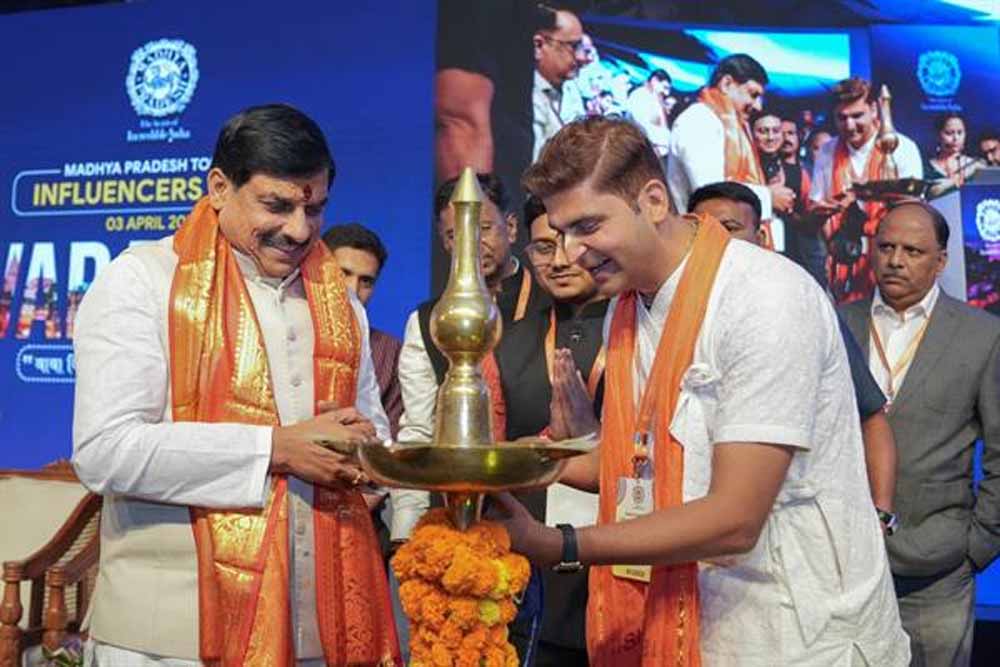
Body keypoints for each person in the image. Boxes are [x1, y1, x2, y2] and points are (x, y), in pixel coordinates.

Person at [498, 116, 908, 666]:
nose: (570, 253)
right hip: (691, 623)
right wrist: (523, 463)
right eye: (560, 231)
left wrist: (563, 546)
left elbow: (736, 518)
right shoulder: (628, 306)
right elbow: (645, 462)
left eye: (588, 226)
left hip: (794, 637)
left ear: (653, 201)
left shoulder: (763, 298)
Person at [71, 104, 400, 666]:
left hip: (318, 632)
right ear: (220, 187)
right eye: (277, 205)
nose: (299, 230)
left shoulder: (339, 303)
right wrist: (276, 449)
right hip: (169, 639)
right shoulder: (144, 281)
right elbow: (106, 450)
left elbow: (373, 430)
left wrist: (366, 455)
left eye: (314, 208)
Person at [839, 201, 1000, 667]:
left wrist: (977, 547)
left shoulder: (982, 335)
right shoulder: (836, 321)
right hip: (841, 564)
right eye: (886, 247)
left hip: (937, 572)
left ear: (941, 261)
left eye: (912, 251)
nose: (895, 260)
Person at [688, 181, 897, 518]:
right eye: (702, 231)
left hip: (796, 518)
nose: (716, 241)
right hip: (697, 517)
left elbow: (871, 416)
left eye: (729, 228)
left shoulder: (801, 302)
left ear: (761, 239)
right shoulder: (675, 314)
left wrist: (882, 513)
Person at [498, 194, 607, 667]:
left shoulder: (643, 332)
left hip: (624, 555)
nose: (559, 260)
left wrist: (594, 439)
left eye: (571, 242)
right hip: (532, 566)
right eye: (544, 247)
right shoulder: (506, 340)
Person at [809, 77, 923, 303]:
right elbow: (815, 206)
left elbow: (915, 211)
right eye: (841, 118)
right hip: (843, 264)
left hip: (890, 263)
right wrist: (826, 210)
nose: (849, 125)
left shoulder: (902, 148)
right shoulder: (826, 151)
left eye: (857, 116)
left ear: (873, 109)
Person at [667, 53, 795, 222]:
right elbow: (710, 196)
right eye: (753, 94)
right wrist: (768, 198)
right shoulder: (699, 120)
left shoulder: (732, 126)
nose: (758, 106)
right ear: (726, 84)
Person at [322, 223, 403, 437]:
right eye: (343, 273)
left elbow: (390, 435)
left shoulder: (390, 351)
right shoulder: (290, 327)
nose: (353, 289)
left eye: (366, 281)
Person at [532, 4, 589, 160]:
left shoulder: (568, 89)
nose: (581, 57)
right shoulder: (524, 99)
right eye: (573, 46)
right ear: (539, 46)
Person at [924, 113, 985, 199]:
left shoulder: (975, 165)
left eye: (960, 133)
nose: (955, 138)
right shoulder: (926, 167)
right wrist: (954, 181)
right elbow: (929, 193)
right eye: (949, 133)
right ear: (938, 134)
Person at [626, 69, 673, 160]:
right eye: (665, 87)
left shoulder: (656, 100)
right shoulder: (639, 96)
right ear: (654, 81)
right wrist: (665, 141)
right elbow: (642, 126)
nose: (667, 93)